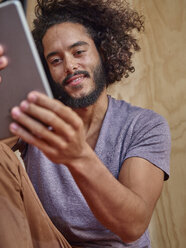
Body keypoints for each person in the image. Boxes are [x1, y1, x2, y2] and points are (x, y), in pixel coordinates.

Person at [0, 0, 171, 247]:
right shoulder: (38, 118)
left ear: (103, 51)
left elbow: (132, 226)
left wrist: (78, 156)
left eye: (78, 52)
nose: (70, 66)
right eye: (55, 60)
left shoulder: (145, 125)